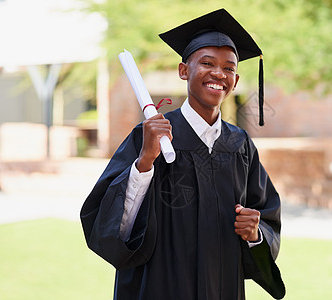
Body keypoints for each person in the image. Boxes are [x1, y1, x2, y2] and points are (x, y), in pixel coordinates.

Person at [80, 8, 285, 300]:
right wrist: (145, 162)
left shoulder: (240, 145)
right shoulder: (150, 135)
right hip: (160, 287)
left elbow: (266, 217)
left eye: (229, 68)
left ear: (236, 81)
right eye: (207, 63)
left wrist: (254, 233)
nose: (219, 73)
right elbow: (111, 226)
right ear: (183, 71)